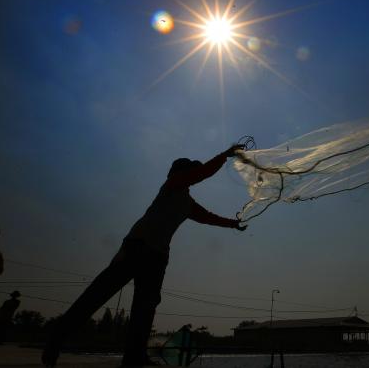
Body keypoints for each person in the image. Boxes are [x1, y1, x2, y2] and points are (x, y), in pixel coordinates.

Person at [42, 145, 246, 367]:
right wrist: (225, 155)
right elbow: (202, 174)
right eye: (186, 172)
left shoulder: (187, 203)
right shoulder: (171, 185)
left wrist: (232, 224)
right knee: (98, 294)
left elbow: (208, 217)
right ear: (177, 173)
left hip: (157, 257)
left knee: (145, 308)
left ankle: (134, 357)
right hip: (137, 248)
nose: (188, 176)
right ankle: (57, 337)